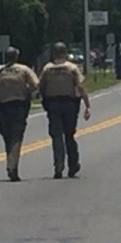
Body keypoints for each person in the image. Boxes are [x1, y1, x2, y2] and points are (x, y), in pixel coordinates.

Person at [0, 46, 39, 182]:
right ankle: (12, 165)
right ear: (16, 57)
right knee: (16, 137)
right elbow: (36, 85)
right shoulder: (24, 70)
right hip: (19, 107)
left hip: (3, 107)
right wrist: (27, 91)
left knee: (7, 137)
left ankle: (11, 162)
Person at [39, 42, 91, 179]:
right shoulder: (71, 68)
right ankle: (73, 164)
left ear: (54, 53)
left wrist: (44, 99)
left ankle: (58, 164)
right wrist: (87, 105)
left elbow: (41, 87)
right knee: (69, 135)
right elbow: (80, 87)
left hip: (53, 105)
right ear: (65, 53)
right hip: (69, 104)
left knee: (56, 136)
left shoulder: (47, 69)